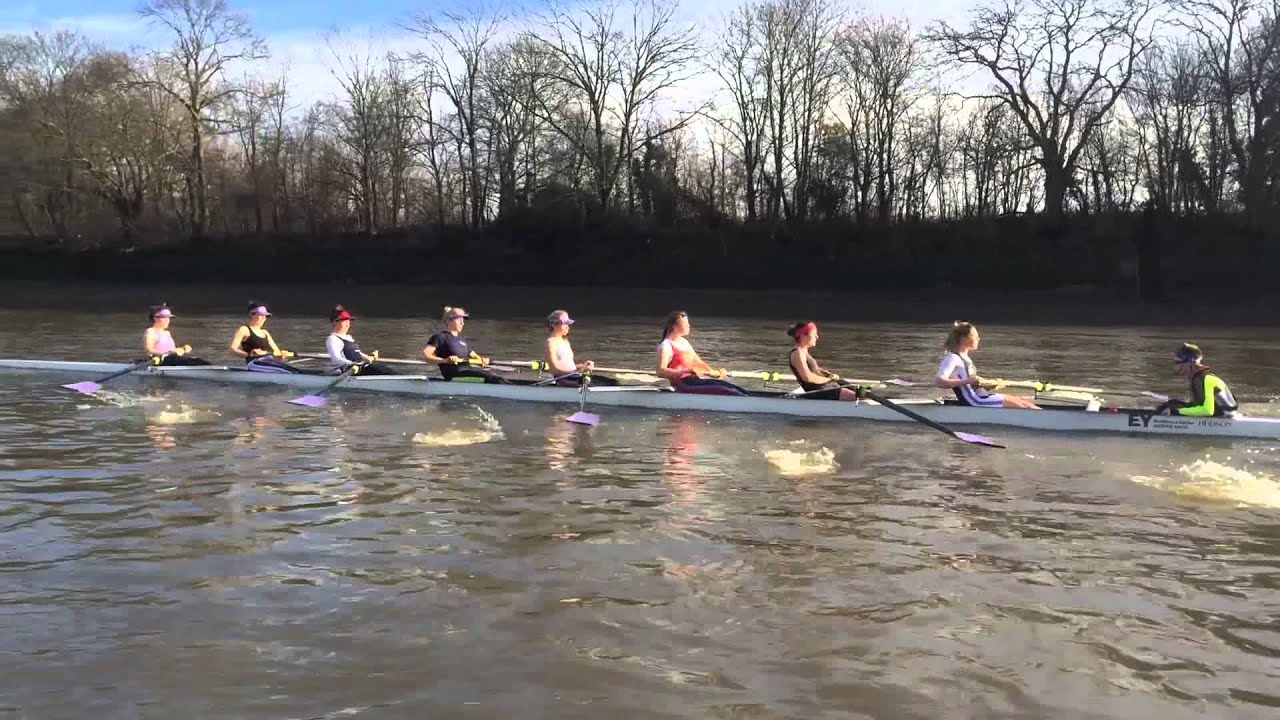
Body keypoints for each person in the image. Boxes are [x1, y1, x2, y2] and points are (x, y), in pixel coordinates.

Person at [934, 321, 1040, 409]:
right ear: (964, 338)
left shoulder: (965, 358)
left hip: (981, 396)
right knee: (1025, 407)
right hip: (975, 401)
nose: (978, 339)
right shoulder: (953, 358)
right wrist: (966, 381)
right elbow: (939, 381)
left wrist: (986, 385)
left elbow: (970, 386)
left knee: (1024, 402)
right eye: (976, 336)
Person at [656, 310, 748, 395]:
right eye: (686, 323)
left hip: (694, 380)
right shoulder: (666, 346)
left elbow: (698, 362)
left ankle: (747, 396)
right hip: (683, 385)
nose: (689, 326)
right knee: (728, 391)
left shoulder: (684, 342)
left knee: (730, 386)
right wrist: (685, 371)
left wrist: (714, 373)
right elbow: (661, 371)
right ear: (674, 326)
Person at [423, 306, 509, 383]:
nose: (462, 323)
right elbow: (426, 356)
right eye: (459, 319)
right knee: (496, 380)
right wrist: (445, 360)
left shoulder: (462, 341)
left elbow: (475, 356)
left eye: (463, 320)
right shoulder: (440, 337)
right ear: (449, 320)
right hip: (454, 377)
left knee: (499, 378)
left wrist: (483, 361)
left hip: (468, 371)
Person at [787, 321, 866, 401]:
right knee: (861, 396)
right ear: (803, 335)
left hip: (825, 387)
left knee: (862, 392)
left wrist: (828, 374)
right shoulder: (797, 353)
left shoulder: (804, 351)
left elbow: (814, 370)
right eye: (814, 334)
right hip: (818, 391)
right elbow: (807, 378)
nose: (817, 337)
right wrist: (829, 379)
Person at [1155, 343, 1239, 417]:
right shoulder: (1200, 378)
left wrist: (1176, 411)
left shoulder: (1205, 379)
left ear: (1191, 364)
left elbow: (1208, 411)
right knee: (1172, 404)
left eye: (1179, 364)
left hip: (1224, 419)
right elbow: (1199, 405)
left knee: (1173, 407)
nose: (1176, 368)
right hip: (1225, 414)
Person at [544, 309, 618, 387]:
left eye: (568, 324)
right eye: (565, 323)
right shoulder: (551, 343)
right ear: (554, 324)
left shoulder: (565, 341)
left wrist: (582, 366)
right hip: (564, 380)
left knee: (612, 382)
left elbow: (567, 365)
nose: (567, 327)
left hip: (573, 376)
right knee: (605, 384)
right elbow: (554, 369)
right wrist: (576, 371)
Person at [228, 301, 303, 373]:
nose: (264, 318)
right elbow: (232, 349)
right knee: (290, 371)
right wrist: (249, 354)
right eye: (261, 315)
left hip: (269, 362)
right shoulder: (244, 329)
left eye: (266, 316)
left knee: (293, 370)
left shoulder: (265, 333)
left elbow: (276, 352)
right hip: (255, 363)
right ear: (252, 314)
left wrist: (282, 355)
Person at [325, 305, 396, 376]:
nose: (347, 324)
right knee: (380, 370)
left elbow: (357, 353)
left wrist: (368, 357)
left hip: (358, 367)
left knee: (385, 369)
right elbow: (336, 359)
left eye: (348, 321)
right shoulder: (333, 339)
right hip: (348, 370)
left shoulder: (348, 337)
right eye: (344, 321)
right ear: (335, 322)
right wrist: (351, 364)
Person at [144, 304, 211, 366]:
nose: (168, 320)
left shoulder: (167, 333)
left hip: (171, 359)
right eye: (165, 318)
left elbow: (173, 351)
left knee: (198, 360)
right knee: (196, 361)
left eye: (169, 318)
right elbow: (149, 350)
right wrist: (169, 353)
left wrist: (183, 349)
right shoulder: (150, 331)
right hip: (158, 361)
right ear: (156, 318)